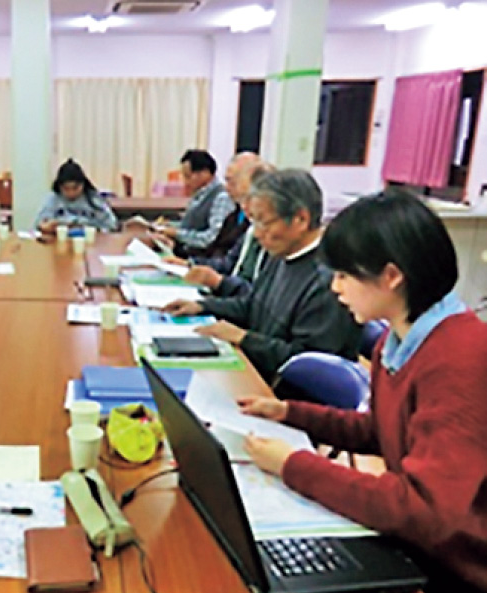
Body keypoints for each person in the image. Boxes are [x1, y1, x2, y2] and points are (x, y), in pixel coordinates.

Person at [240, 190, 486, 593]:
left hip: (458, 567)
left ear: (391, 276)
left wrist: (294, 465)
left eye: (344, 274)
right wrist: (289, 413)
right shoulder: (398, 338)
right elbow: (381, 431)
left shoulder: (460, 357)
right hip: (423, 546)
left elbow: (425, 509)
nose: (335, 287)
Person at [163, 169, 361, 382]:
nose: (257, 234)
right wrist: (203, 306)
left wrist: (244, 338)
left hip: (287, 396)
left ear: (300, 219)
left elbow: (308, 363)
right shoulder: (282, 254)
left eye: (264, 222)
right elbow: (252, 306)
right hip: (257, 372)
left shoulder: (329, 280)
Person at [182, 155, 273, 297]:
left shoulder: (271, 238)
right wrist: (190, 264)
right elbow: (229, 262)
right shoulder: (242, 220)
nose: (246, 207)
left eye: (232, 181)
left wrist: (217, 282)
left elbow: (257, 297)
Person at [145, 149, 236, 257]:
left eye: (188, 176)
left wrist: (176, 233)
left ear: (204, 173)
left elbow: (211, 238)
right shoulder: (200, 193)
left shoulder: (221, 197)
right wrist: (168, 227)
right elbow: (193, 225)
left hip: (201, 259)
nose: (185, 182)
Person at [34, 159, 118, 233]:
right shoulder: (53, 199)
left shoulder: (93, 199)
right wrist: (45, 227)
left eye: (75, 188)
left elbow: (112, 225)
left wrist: (95, 230)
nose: (71, 193)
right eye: (66, 189)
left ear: (83, 185)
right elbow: (39, 224)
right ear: (59, 187)